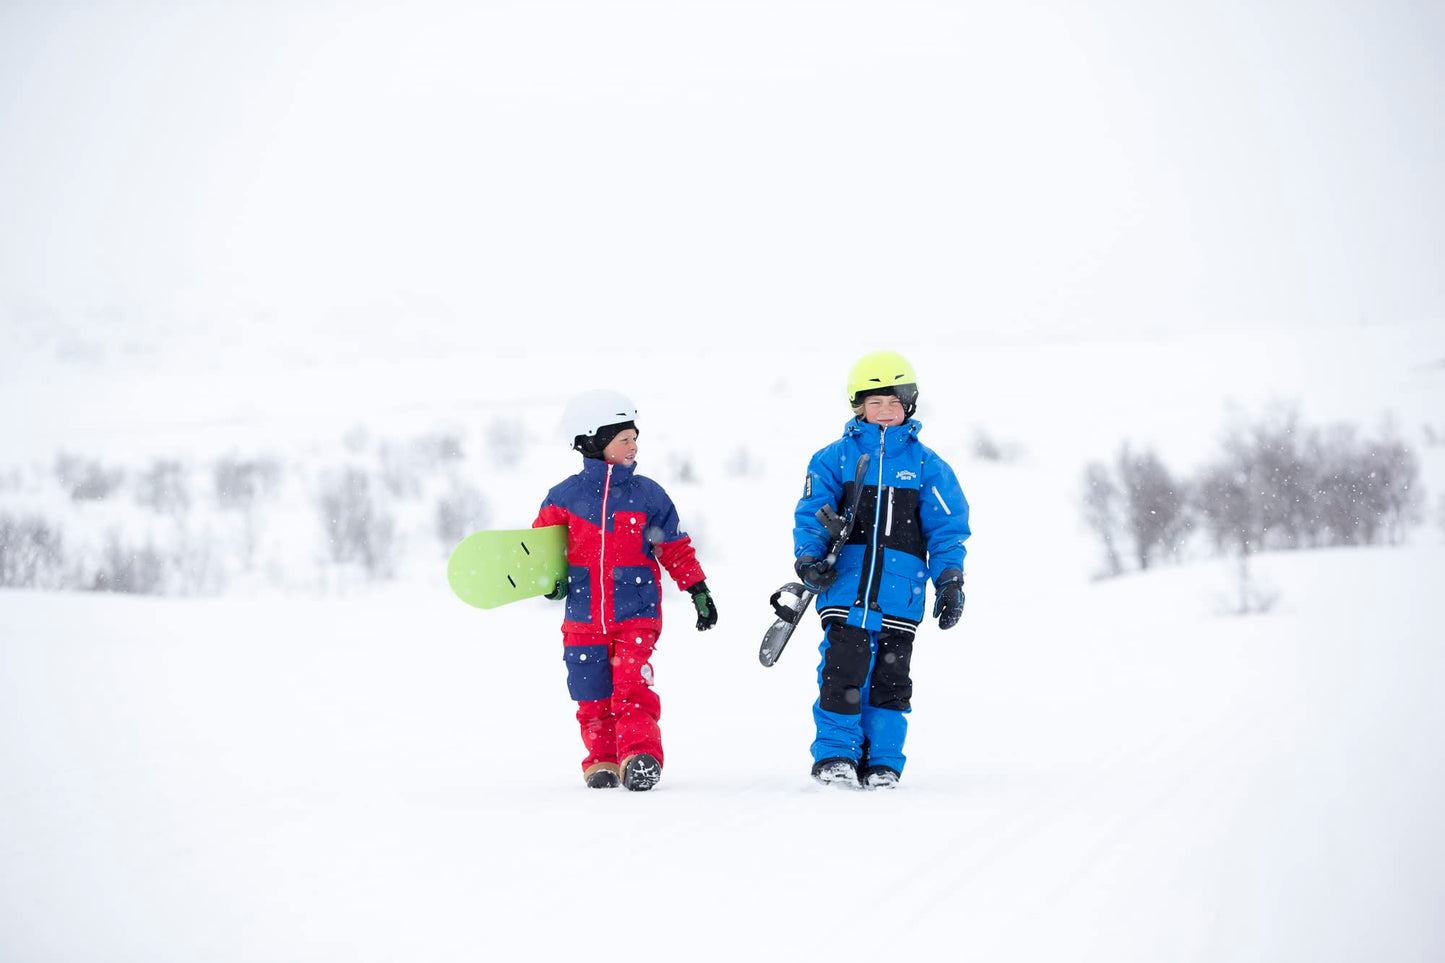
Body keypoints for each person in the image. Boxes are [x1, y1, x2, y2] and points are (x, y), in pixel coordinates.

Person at [791, 351, 970, 789]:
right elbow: (813, 512)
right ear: (858, 406)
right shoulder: (834, 458)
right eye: (875, 403)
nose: (885, 412)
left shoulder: (929, 466)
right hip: (844, 585)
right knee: (843, 667)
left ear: (908, 404)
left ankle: (883, 760)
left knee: (891, 678)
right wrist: (810, 558)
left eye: (893, 402)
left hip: (900, 592)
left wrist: (949, 579)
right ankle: (836, 753)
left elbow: (947, 530)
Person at [534, 390, 717, 791]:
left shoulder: (648, 495)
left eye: (635, 437)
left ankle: (640, 756)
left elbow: (674, 548)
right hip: (583, 618)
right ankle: (601, 761)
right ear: (593, 442)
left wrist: (697, 589)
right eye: (624, 439)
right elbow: (542, 551)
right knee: (591, 693)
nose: (634, 446)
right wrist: (548, 581)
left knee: (632, 686)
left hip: (636, 611)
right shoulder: (564, 498)